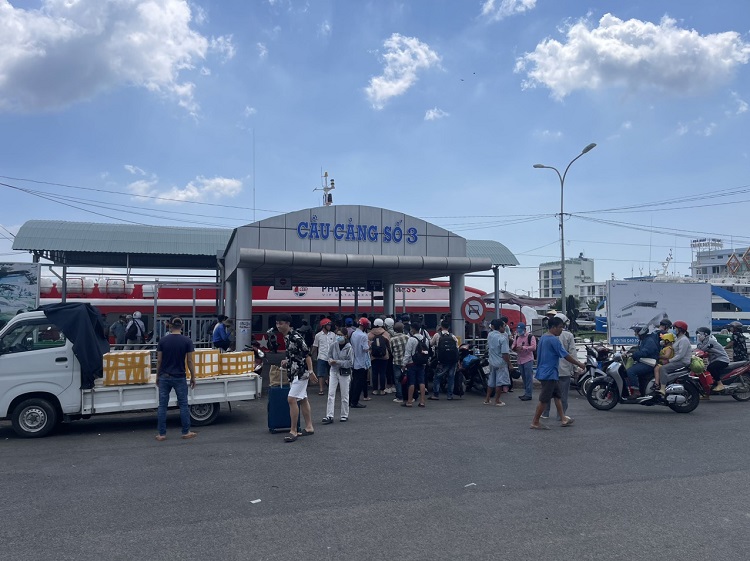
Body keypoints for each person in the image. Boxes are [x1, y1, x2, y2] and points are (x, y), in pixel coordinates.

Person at [530, 316, 585, 430]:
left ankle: (563, 418)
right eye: (560, 327)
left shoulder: (543, 337)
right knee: (544, 399)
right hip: (549, 373)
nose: (561, 330)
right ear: (553, 327)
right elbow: (565, 355)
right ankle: (535, 422)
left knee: (557, 395)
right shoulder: (553, 340)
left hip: (547, 372)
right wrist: (578, 364)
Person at [275, 313, 317, 443]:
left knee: (291, 399)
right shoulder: (287, 337)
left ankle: (293, 430)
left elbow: (307, 354)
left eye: (280, 323)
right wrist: (287, 361)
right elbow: (296, 354)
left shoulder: (296, 337)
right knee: (303, 399)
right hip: (294, 372)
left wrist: (311, 371)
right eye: (277, 323)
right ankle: (309, 427)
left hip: (301, 373)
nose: (278, 326)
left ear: (288, 324)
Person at [155, 317, 197, 441]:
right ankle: (186, 432)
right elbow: (190, 361)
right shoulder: (187, 341)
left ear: (169, 325)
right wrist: (193, 376)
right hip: (179, 376)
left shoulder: (163, 341)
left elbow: (159, 361)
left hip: (164, 376)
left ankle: (161, 434)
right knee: (183, 405)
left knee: (162, 406)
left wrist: (157, 376)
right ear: (182, 325)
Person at [542, 313, 576, 420]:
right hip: (563, 370)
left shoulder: (545, 336)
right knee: (562, 395)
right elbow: (571, 353)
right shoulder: (568, 336)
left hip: (549, 371)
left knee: (547, 394)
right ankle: (560, 416)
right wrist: (576, 367)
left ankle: (545, 413)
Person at [322, 329, 353, 424]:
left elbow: (350, 362)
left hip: (344, 373)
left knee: (344, 394)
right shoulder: (333, 345)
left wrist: (337, 362)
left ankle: (344, 415)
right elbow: (329, 356)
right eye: (337, 334)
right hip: (334, 371)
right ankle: (329, 415)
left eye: (340, 335)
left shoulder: (349, 348)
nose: (338, 336)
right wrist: (330, 361)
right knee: (331, 394)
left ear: (345, 336)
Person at [654, 320, 692, 395]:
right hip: (677, 361)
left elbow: (680, 355)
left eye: (675, 328)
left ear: (680, 329)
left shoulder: (684, 340)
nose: (673, 330)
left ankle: (662, 389)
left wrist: (669, 361)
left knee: (663, 368)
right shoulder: (678, 338)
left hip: (682, 362)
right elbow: (666, 342)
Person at [624, 323, 660, 397]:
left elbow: (644, 352)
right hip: (645, 361)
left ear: (641, 332)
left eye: (636, 332)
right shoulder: (644, 340)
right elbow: (639, 350)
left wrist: (633, 354)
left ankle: (636, 392)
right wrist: (629, 352)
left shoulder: (649, 341)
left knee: (631, 371)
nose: (635, 334)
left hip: (649, 363)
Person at [429, 318, 460, 400]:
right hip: (453, 360)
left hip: (442, 360)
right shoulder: (453, 336)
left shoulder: (437, 335)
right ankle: (449, 395)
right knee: (451, 378)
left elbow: (431, 343)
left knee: (437, 377)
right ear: (449, 327)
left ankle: (436, 395)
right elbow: (457, 348)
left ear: (441, 326)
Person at [484, 318, 511, 406]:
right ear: (500, 327)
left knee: (491, 381)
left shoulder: (490, 335)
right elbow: (505, 354)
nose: (504, 328)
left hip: (491, 361)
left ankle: (487, 399)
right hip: (501, 363)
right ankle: (497, 400)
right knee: (500, 382)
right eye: (503, 326)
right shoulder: (502, 338)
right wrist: (510, 364)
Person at [696, 326, 730, 393]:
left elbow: (702, 349)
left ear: (705, 334)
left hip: (722, 359)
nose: (698, 336)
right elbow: (699, 348)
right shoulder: (704, 341)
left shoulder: (710, 341)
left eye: (700, 334)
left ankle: (720, 384)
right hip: (715, 359)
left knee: (710, 368)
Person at [402, 321, 428, 407]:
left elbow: (408, 353)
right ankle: (422, 401)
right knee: (421, 382)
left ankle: (409, 401)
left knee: (411, 382)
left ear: (412, 329)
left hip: (412, 363)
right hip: (422, 363)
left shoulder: (411, 339)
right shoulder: (425, 339)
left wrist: (404, 364)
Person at [349, 317, 370, 409]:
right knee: (359, 383)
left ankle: (350, 400)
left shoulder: (353, 333)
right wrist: (369, 345)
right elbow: (365, 349)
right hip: (361, 362)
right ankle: (355, 401)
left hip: (354, 360)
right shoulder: (364, 336)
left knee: (354, 382)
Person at [511, 322, 536, 401]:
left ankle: (529, 394)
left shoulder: (530, 337)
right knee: (524, 377)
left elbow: (533, 347)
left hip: (528, 359)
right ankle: (526, 392)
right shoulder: (517, 336)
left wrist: (524, 348)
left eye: (520, 330)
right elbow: (513, 345)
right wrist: (515, 348)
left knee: (528, 377)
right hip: (520, 359)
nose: (519, 332)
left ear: (524, 329)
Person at [312, 318, 336, 395]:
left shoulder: (333, 335)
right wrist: (311, 354)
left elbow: (335, 346)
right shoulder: (318, 335)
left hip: (331, 357)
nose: (329, 326)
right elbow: (315, 346)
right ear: (324, 326)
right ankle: (321, 389)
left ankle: (330, 387)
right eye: (328, 325)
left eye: (330, 325)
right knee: (320, 374)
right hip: (322, 356)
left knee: (331, 373)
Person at [368, 318, 391, 396]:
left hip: (373, 356)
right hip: (384, 356)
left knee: (374, 372)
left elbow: (368, 345)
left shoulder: (370, 334)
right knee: (382, 373)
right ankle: (382, 390)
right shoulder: (386, 334)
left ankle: (375, 389)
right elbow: (389, 345)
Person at [389, 321, 409, 403]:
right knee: (408, 379)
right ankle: (408, 396)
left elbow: (391, 351)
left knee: (398, 380)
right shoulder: (407, 337)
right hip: (407, 361)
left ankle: (400, 397)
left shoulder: (392, 339)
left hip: (396, 361)